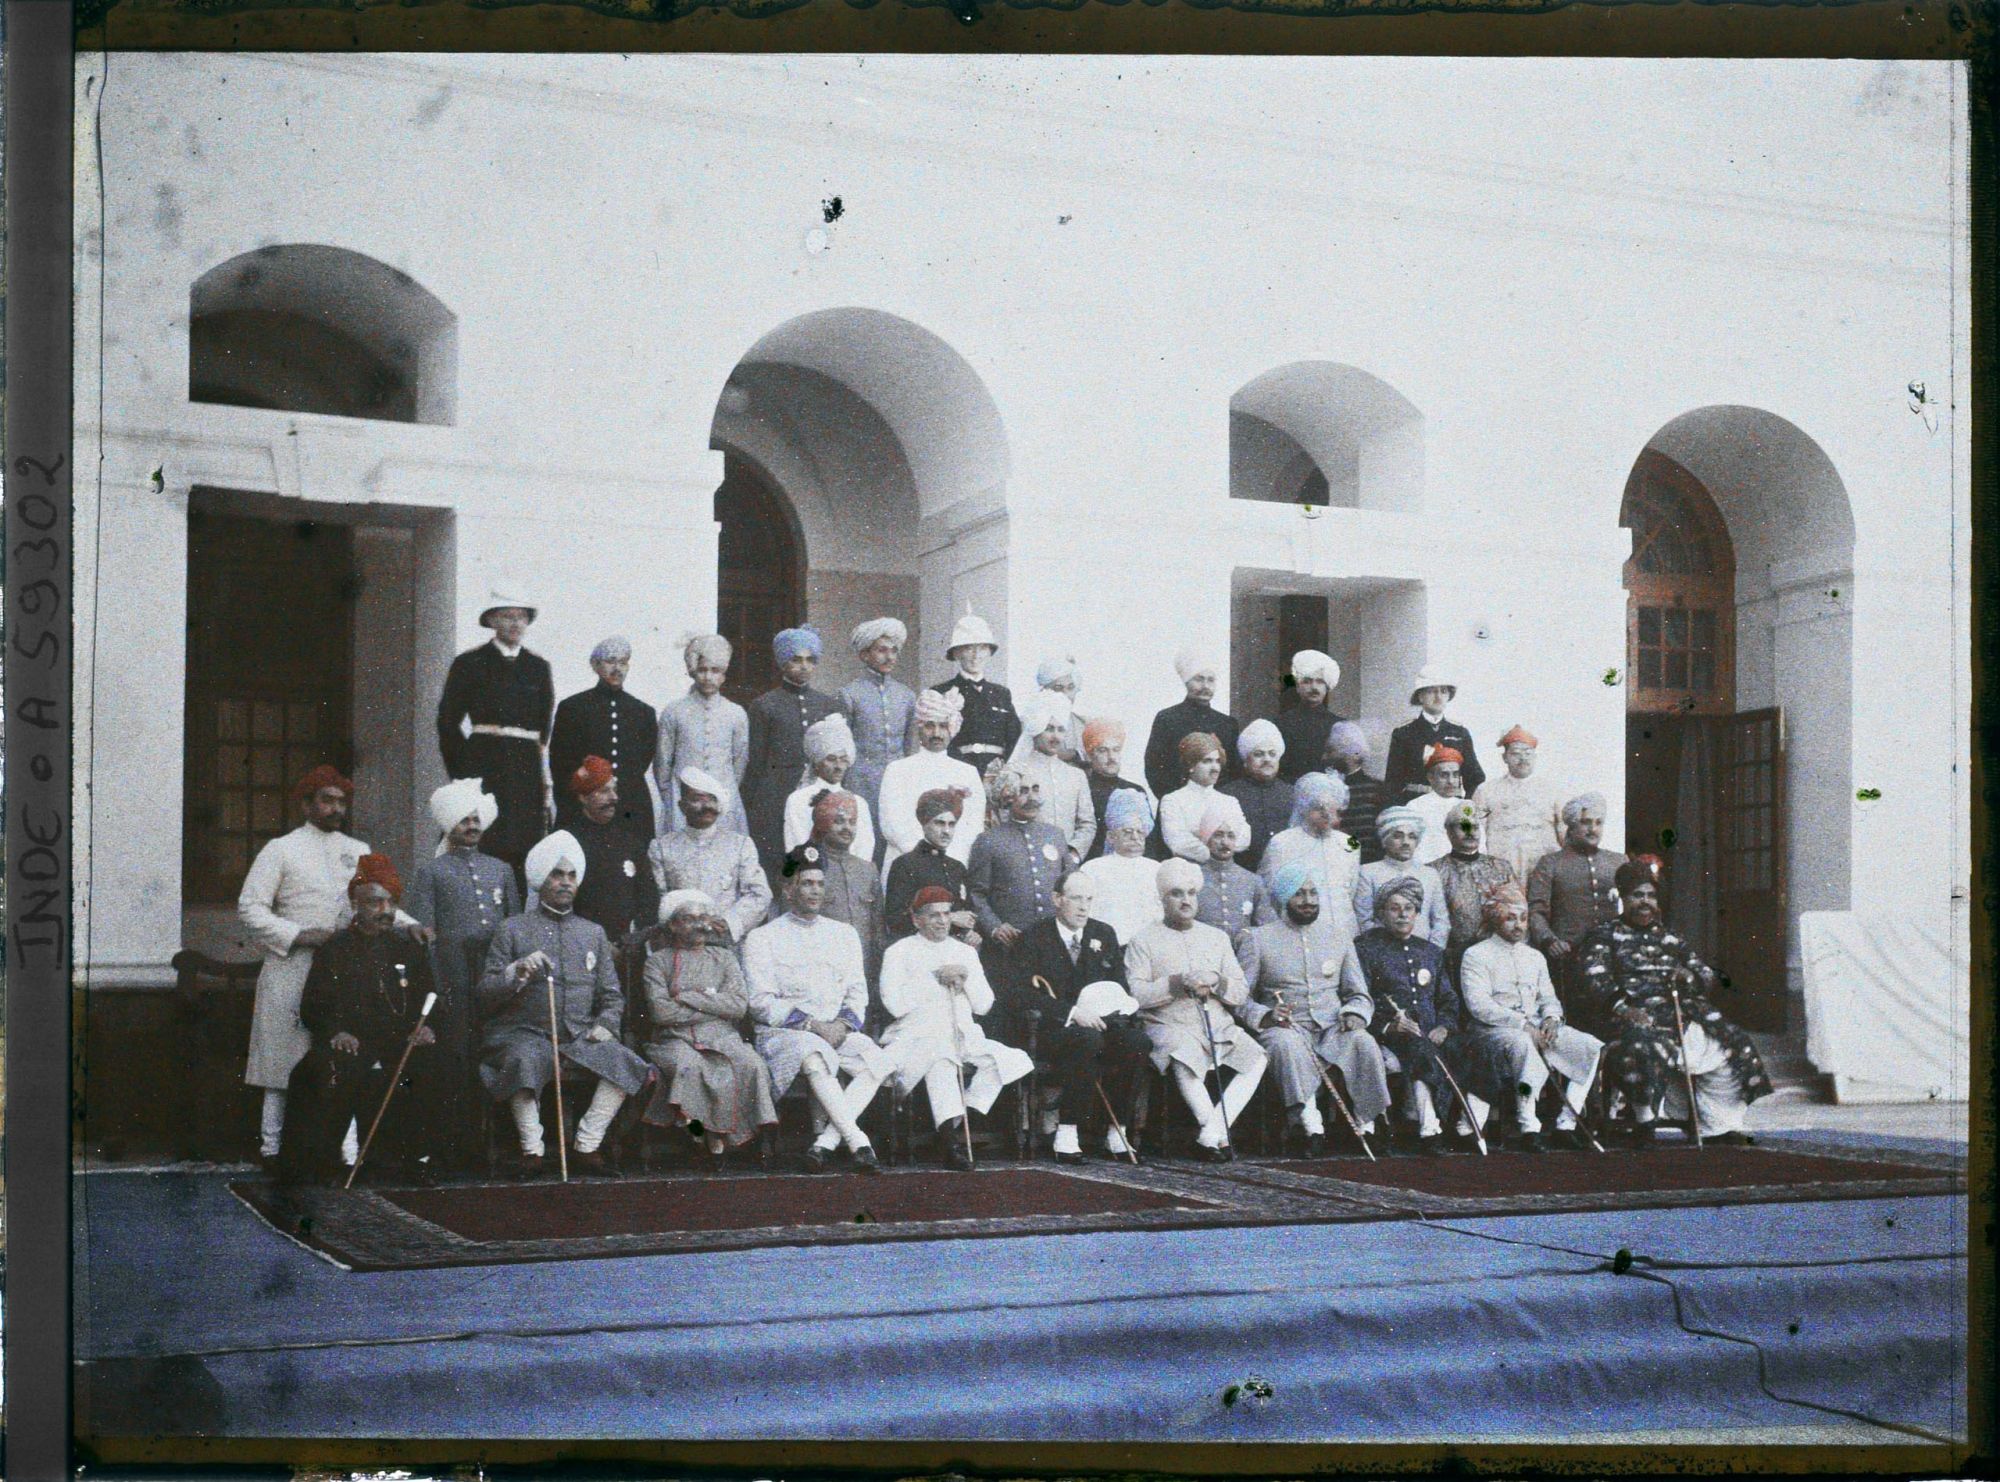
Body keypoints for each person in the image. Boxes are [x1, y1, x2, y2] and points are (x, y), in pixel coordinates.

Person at [239, 764, 430, 1167]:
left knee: (343, 1060)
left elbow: (374, 902)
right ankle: (273, 1148)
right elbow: (250, 908)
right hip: (292, 966)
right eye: (327, 800)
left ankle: (339, 1150)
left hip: (347, 967)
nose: (336, 809)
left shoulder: (357, 850)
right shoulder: (280, 849)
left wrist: (410, 925)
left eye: (342, 801)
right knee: (284, 1061)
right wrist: (299, 934)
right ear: (306, 804)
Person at [476, 831, 656, 1176]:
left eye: (572, 876)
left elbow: (611, 995)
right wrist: (517, 971)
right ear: (541, 879)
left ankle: (587, 1145)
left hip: (579, 1035)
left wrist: (606, 1025)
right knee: (522, 1059)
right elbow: (486, 992)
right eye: (557, 875)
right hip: (524, 1031)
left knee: (625, 1060)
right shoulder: (511, 930)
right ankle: (532, 1150)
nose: (565, 882)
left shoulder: (593, 933)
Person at [276, 855, 453, 1185]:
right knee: (322, 1071)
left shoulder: (408, 948)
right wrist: (336, 1032)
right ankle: (330, 1163)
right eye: (375, 902)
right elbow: (313, 1005)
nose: (385, 910)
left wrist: (426, 1027)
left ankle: (419, 1160)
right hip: (351, 1042)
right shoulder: (334, 949)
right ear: (355, 906)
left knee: (435, 1065)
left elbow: (429, 998)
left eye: (391, 903)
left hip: (399, 1041)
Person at [1577, 857, 1771, 1146]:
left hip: (1681, 1014)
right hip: (1630, 1016)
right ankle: (1645, 1122)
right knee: (1641, 1046)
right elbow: (1595, 978)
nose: (1645, 902)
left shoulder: (1670, 937)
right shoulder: (1604, 935)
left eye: (1651, 895)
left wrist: (1690, 976)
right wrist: (1624, 1009)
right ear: (1624, 898)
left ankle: (1717, 1124)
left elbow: (1703, 972)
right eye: (1638, 895)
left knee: (1734, 1042)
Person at [743, 844, 891, 1172]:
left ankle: (824, 1143)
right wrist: (814, 1026)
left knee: (877, 1062)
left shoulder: (844, 934)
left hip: (836, 1030)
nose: (815, 891)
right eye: (807, 883)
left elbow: (857, 993)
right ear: (788, 889)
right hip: (785, 1035)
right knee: (813, 1055)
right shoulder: (763, 937)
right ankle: (858, 1142)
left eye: (820, 884)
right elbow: (760, 1003)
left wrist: (842, 1026)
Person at [405, 777, 518, 1170]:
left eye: (475, 819)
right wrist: (438, 983)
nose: (471, 826)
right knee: (456, 1058)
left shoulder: (501, 870)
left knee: (494, 1052)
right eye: (463, 820)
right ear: (448, 825)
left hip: (493, 977)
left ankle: (494, 1145)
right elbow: (425, 936)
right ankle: (453, 1147)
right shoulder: (432, 872)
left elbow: (513, 928)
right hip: (452, 979)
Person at [1237, 865, 1388, 1156]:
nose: (1308, 901)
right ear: (1284, 899)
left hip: (1333, 1028)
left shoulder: (1338, 936)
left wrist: (1355, 1013)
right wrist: (1266, 1016)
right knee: (1287, 1045)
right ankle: (1308, 1127)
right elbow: (1239, 998)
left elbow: (1358, 993)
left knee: (1363, 1041)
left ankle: (1367, 1125)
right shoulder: (1256, 939)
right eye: (1299, 894)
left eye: (1313, 893)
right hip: (1286, 1028)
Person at [880, 890, 1036, 1169]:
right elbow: (894, 1004)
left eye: (946, 914)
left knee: (1014, 1060)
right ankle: (950, 1144)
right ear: (916, 920)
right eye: (933, 915)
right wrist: (934, 979)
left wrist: (965, 982)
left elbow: (984, 1005)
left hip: (964, 1035)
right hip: (918, 1036)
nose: (942, 921)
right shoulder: (898, 952)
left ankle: (962, 1119)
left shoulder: (965, 952)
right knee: (941, 1059)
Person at [1125, 858, 1268, 1161]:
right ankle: (1215, 1137)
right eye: (1176, 893)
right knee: (1183, 1054)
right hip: (1168, 1024)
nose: (1186, 900)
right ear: (1162, 898)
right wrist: (1177, 983)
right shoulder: (1143, 940)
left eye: (1191, 893)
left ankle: (1211, 1134)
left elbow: (1240, 991)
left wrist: (1215, 980)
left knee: (1257, 1058)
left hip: (1216, 1024)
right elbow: (1135, 994)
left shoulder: (1216, 938)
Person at [1004, 872, 1149, 1163]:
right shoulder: (1034, 937)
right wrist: (1071, 1013)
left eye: (1089, 900)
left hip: (1100, 1023)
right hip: (1051, 1029)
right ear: (1057, 899)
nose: (1084, 907)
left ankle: (1116, 1132)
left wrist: (1112, 1008)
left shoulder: (1103, 933)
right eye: (1076, 899)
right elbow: (1019, 994)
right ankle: (1067, 1133)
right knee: (1087, 1040)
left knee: (1137, 1041)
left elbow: (1119, 984)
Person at [1459, 884, 1603, 1152]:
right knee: (1524, 1044)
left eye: (1523, 918)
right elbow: (1479, 1006)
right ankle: (1529, 1126)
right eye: (1510, 918)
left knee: (1589, 1046)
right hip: (1492, 1029)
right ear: (1495, 919)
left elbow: (1548, 998)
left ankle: (1566, 1124)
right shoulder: (1476, 955)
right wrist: (1523, 1025)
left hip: (1537, 1025)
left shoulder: (1535, 957)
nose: (1519, 925)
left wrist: (1551, 1019)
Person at [639, 891, 779, 1162]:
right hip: (674, 1039)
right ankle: (700, 1134)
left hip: (723, 1037)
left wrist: (688, 997)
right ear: (673, 925)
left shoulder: (724, 958)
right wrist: (713, 1004)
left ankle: (723, 1136)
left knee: (752, 1064)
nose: (699, 925)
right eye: (689, 919)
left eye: (703, 918)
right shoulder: (657, 962)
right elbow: (661, 1012)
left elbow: (738, 1005)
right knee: (689, 1066)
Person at [437, 593, 556, 880]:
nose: (515, 623)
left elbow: (543, 725)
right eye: (507, 616)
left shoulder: (538, 667)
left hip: (526, 772)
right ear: (492, 620)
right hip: (484, 768)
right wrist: (464, 774)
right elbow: (447, 722)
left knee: (525, 846)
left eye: (521, 617)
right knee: (483, 840)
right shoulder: (469, 663)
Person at [1354, 878, 1465, 1154]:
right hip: (1387, 1035)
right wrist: (1388, 1025)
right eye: (1394, 908)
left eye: (1409, 908)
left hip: (1430, 1032)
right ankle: (1429, 1129)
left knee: (1464, 1048)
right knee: (1419, 1049)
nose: (1402, 915)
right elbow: (1359, 996)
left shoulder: (1430, 952)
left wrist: (1444, 1026)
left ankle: (1463, 1128)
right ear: (1382, 913)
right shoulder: (1366, 948)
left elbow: (1448, 999)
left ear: (1417, 913)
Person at [743, 626, 840, 876]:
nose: (804, 666)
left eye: (810, 660)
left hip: (817, 792)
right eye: (796, 660)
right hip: (776, 795)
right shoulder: (764, 705)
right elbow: (756, 762)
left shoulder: (827, 704)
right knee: (778, 860)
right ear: (783, 663)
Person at [966, 766, 1070, 998]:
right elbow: (976, 894)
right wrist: (995, 927)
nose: (1032, 797)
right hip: (1011, 945)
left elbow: (1070, 883)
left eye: (1035, 789)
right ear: (1006, 797)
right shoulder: (988, 840)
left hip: (1053, 943)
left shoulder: (1055, 835)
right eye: (1023, 791)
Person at [646, 767, 773, 947]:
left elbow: (760, 894)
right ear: (682, 806)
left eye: (712, 799)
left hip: (726, 942)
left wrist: (729, 923)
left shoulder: (740, 844)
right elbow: (659, 897)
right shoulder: (662, 847)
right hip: (680, 943)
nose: (706, 806)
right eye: (697, 799)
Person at [1527, 792, 1628, 1012]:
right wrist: (1549, 940)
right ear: (1571, 826)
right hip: (1569, 956)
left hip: (1612, 954)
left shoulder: (1619, 861)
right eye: (1586, 822)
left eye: (1598, 823)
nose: (1593, 829)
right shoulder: (1550, 863)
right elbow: (1536, 911)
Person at [550, 635, 659, 837]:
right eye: (610, 661)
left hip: (630, 808)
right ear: (595, 665)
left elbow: (641, 762)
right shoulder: (572, 708)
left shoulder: (643, 712)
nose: (617, 669)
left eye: (623, 662)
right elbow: (560, 766)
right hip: (586, 807)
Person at [879, 689, 987, 875]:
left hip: (953, 864)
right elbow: (892, 824)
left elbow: (973, 827)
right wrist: (924, 859)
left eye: (943, 726)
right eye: (930, 726)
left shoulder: (968, 772)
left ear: (951, 728)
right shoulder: (897, 770)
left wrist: (947, 860)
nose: (937, 733)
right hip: (908, 865)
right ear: (919, 728)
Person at [654, 633, 750, 836]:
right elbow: (663, 762)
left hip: (723, 799)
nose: (708, 677)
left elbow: (739, 761)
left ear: (723, 675)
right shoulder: (675, 711)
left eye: (715, 671)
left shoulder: (736, 713)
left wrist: (725, 792)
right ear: (693, 671)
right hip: (685, 801)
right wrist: (671, 799)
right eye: (702, 670)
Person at [838, 617, 918, 844]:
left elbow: (909, 747)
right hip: (861, 782)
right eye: (882, 650)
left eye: (894, 651)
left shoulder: (906, 696)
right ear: (865, 654)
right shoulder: (849, 694)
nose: (889, 657)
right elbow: (843, 748)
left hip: (897, 783)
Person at [566, 756, 660, 944]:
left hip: (628, 947)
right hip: (581, 944)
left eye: (614, 790)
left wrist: (632, 940)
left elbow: (649, 898)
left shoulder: (630, 842)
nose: (614, 798)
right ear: (583, 797)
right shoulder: (568, 842)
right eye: (604, 791)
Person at [1260, 771, 1361, 941]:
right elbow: (1269, 894)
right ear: (1304, 808)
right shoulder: (1282, 842)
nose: (1326, 814)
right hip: (1297, 932)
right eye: (1318, 808)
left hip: (1344, 932)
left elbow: (1351, 891)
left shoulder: (1350, 844)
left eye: (1332, 807)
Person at [1006, 689, 1096, 863]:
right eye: (1049, 729)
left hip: (1066, 862)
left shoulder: (1076, 775)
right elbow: (1006, 821)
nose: (1056, 737)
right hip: (1026, 861)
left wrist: (1073, 855)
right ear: (1036, 730)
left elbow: (1087, 824)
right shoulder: (1016, 771)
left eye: (1061, 730)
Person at [883, 789, 980, 944]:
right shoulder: (905, 865)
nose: (946, 831)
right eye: (939, 823)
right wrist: (951, 918)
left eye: (951, 824)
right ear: (924, 824)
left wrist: (969, 934)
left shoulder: (957, 867)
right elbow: (895, 920)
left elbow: (968, 914)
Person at [806, 790, 885, 981]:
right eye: (839, 821)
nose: (847, 828)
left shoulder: (868, 870)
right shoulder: (806, 867)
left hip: (863, 970)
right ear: (823, 824)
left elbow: (878, 930)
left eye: (852, 822)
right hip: (820, 969)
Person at [1143, 649, 1241, 800]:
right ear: (1187, 682)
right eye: (1199, 679)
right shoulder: (1167, 719)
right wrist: (1175, 801)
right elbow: (1154, 768)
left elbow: (1234, 771)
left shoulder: (1227, 724)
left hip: (1217, 804)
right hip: (1178, 803)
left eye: (1210, 680)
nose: (1205, 686)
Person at [1473, 725, 1565, 882]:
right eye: (1515, 753)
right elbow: (1474, 829)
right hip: (1500, 871)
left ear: (1535, 756)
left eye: (1528, 753)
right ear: (1505, 757)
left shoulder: (1552, 790)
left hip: (1544, 871)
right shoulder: (1486, 791)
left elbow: (1565, 832)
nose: (1523, 758)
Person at [935, 605, 1020, 774]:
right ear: (956, 653)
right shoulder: (941, 692)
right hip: (958, 772)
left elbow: (1015, 738)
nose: (976, 655)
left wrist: (1003, 771)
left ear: (989, 652)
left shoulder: (1002, 694)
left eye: (982, 648)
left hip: (997, 775)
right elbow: (938, 739)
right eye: (968, 648)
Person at [782, 713, 878, 861]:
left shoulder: (859, 803)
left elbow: (865, 848)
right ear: (817, 762)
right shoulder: (798, 800)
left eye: (843, 760)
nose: (839, 766)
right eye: (831, 759)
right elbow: (797, 845)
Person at [1384, 667, 1485, 803]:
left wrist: (1465, 807)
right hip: (1416, 803)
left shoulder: (1459, 732)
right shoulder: (1404, 733)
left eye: (1443, 691)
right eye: (1431, 691)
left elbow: (1474, 779)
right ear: (1420, 696)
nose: (1438, 697)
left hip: (1451, 804)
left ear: (1448, 696)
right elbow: (1393, 782)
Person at [1434, 804, 1518, 967]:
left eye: (1474, 827)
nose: (1470, 833)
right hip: (1455, 957)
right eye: (1463, 828)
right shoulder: (1435, 871)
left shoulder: (1501, 867)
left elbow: (1516, 909)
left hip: (1499, 953)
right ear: (1449, 832)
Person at [1077, 790, 1165, 947]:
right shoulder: (1092, 869)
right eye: (1127, 832)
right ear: (1111, 837)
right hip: (1108, 947)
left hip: (1151, 947)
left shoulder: (1158, 869)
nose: (1135, 837)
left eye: (1140, 832)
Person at [1353, 806, 1450, 945]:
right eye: (1398, 836)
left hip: (1424, 952)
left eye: (1412, 837)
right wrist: (1383, 952)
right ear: (1384, 841)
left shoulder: (1430, 874)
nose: (1406, 842)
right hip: (1382, 952)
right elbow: (1364, 920)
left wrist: (1431, 951)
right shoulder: (1368, 872)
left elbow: (1441, 922)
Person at [1192, 802, 1275, 946]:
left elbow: (1267, 925)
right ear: (1207, 839)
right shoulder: (1193, 877)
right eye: (1218, 835)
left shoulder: (1252, 881)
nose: (1225, 842)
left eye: (1230, 836)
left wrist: (1249, 934)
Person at [1160, 732, 1245, 863]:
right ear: (1191, 765)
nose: (1215, 768)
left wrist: (1200, 836)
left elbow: (1244, 838)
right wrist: (1219, 849)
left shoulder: (1229, 801)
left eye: (1217, 761)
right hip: (1188, 870)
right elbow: (1177, 842)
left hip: (1224, 870)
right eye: (1207, 761)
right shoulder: (1173, 800)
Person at [1220, 719, 1293, 871]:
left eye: (1272, 754)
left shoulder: (1291, 793)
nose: (1267, 759)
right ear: (1246, 760)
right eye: (1259, 754)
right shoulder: (1227, 795)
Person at [1080, 717, 1155, 861]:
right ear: (1090, 754)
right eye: (1103, 750)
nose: (1111, 757)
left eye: (1116, 750)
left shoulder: (1135, 790)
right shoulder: (1083, 789)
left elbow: (1149, 840)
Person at [1276, 649, 1346, 782]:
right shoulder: (1281, 724)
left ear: (1327, 687)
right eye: (1307, 681)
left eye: (1320, 681)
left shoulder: (1340, 726)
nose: (1314, 687)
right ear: (1298, 687)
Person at [1325, 722, 1389, 865]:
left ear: (1353, 754)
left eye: (1331, 751)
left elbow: (1378, 837)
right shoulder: (1325, 788)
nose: (1325, 757)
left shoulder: (1377, 789)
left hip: (1368, 864)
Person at [1406, 746, 1468, 864]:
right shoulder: (1415, 807)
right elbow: (1411, 846)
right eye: (1444, 775)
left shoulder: (1465, 807)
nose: (1451, 781)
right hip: (1427, 867)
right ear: (1431, 777)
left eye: (1455, 775)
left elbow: (1475, 842)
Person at [1032, 654, 1087, 764]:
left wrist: (1075, 755)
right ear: (1044, 690)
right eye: (1058, 688)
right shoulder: (1031, 722)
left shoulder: (1083, 725)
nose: (1065, 694)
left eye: (1070, 688)